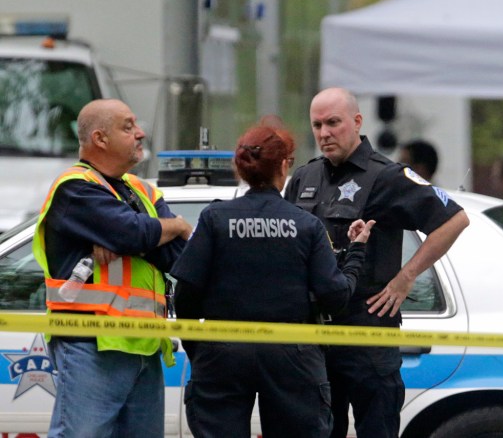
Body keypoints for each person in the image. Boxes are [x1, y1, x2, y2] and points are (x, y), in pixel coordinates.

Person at [284, 87, 469, 438]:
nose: (324, 133)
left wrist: (407, 276)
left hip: (367, 330)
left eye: (333, 123)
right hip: (315, 336)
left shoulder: (387, 176)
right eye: (317, 125)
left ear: (357, 122)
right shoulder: (305, 178)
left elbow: (455, 220)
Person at [170, 123, 375, 437]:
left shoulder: (214, 219)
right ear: (283, 165)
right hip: (293, 355)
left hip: (221, 352)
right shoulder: (306, 225)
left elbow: (186, 292)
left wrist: (201, 348)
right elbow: (335, 295)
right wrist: (356, 253)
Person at [31, 99, 193, 437]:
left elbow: (176, 256)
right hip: (91, 344)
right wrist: (172, 226)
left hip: (144, 345)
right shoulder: (75, 188)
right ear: (100, 139)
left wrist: (133, 237)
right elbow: (133, 232)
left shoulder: (141, 189)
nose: (140, 133)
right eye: (128, 126)